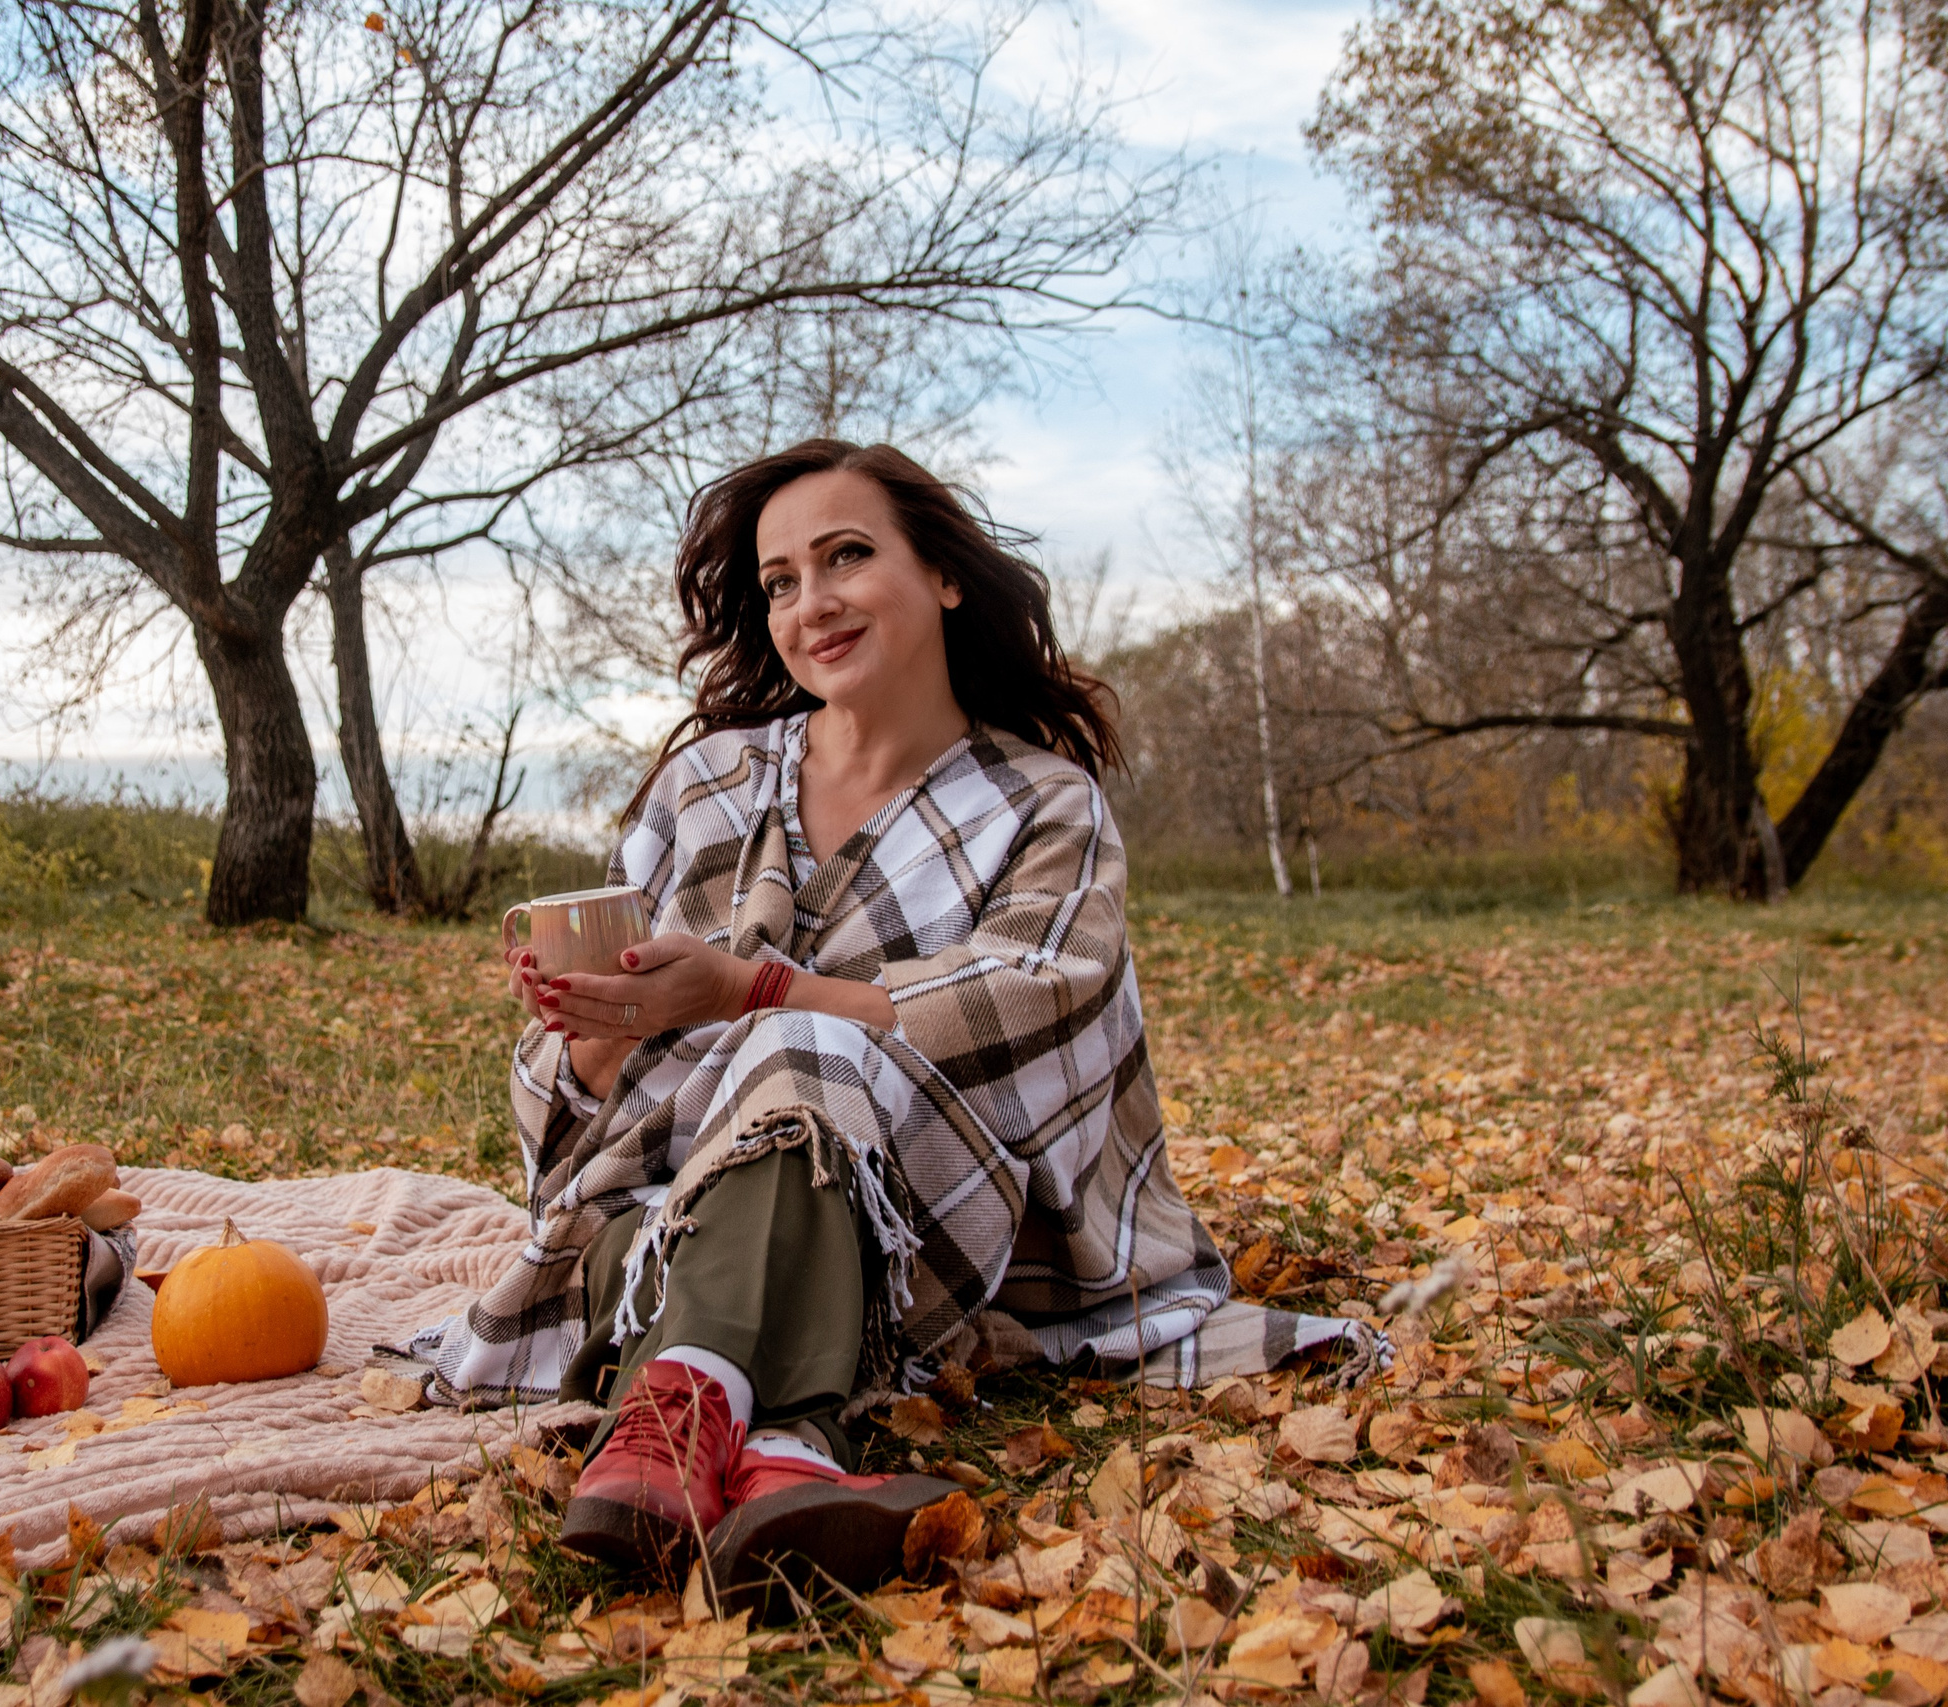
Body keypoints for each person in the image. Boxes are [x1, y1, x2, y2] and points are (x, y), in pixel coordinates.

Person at [410, 440, 1381, 1609]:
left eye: (846, 557)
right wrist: (597, 1027)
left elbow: (1026, 1002)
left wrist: (747, 995)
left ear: (946, 577)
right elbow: (576, 1111)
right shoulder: (706, 787)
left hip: (929, 1240)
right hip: (663, 1223)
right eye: (777, 582)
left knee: (801, 1047)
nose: (808, 604)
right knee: (742, 1118)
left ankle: (662, 1423)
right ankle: (784, 1457)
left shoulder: (1042, 804)